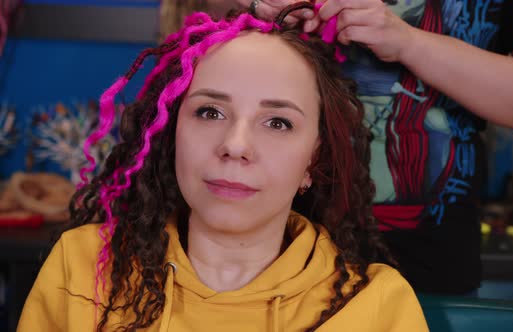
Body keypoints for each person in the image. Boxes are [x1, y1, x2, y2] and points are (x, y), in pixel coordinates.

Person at [17, 9, 429, 332]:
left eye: (278, 122)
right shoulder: (84, 265)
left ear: (314, 160)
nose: (235, 145)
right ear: (171, 132)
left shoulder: (377, 304)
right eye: (210, 112)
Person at [195, 0, 513, 294]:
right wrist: (255, 6)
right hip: (247, 264)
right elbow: (209, 17)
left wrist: (408, 42)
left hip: (421, 270)